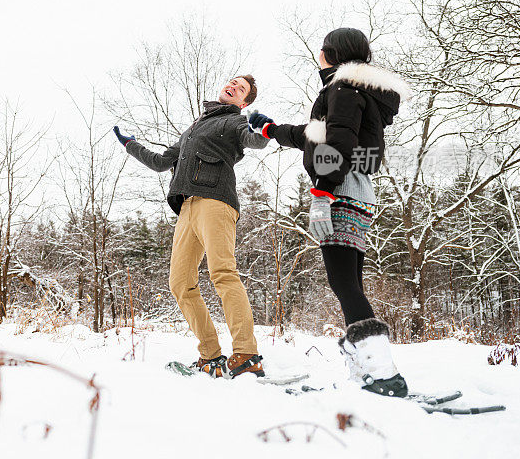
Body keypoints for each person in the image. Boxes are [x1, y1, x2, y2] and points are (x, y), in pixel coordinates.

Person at [248, 28, 412, 396]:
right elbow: (318, 135)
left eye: (323, 49)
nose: (318, 54)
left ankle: (380, 372)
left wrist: (322, 192)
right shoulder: (357, 91)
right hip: (360, 189)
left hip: (339, 187)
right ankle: (370, 370)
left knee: (343, 281)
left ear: (332, 53)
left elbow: (337, 143)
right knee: (348, 279)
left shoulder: (341, 88)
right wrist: (273, 129)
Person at [113, 76, 268, 378]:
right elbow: (160, 162)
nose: (233, 87)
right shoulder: (195, 127)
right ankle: (210, 356)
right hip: (187, 206)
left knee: (222, 273)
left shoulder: (234, 122)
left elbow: (255, 139)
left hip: (216, 202)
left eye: (241, 89)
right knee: (180, 283)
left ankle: (247, 354)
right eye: (232, 82)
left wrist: (261, 128)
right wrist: (131, 145)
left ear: (244, 102)